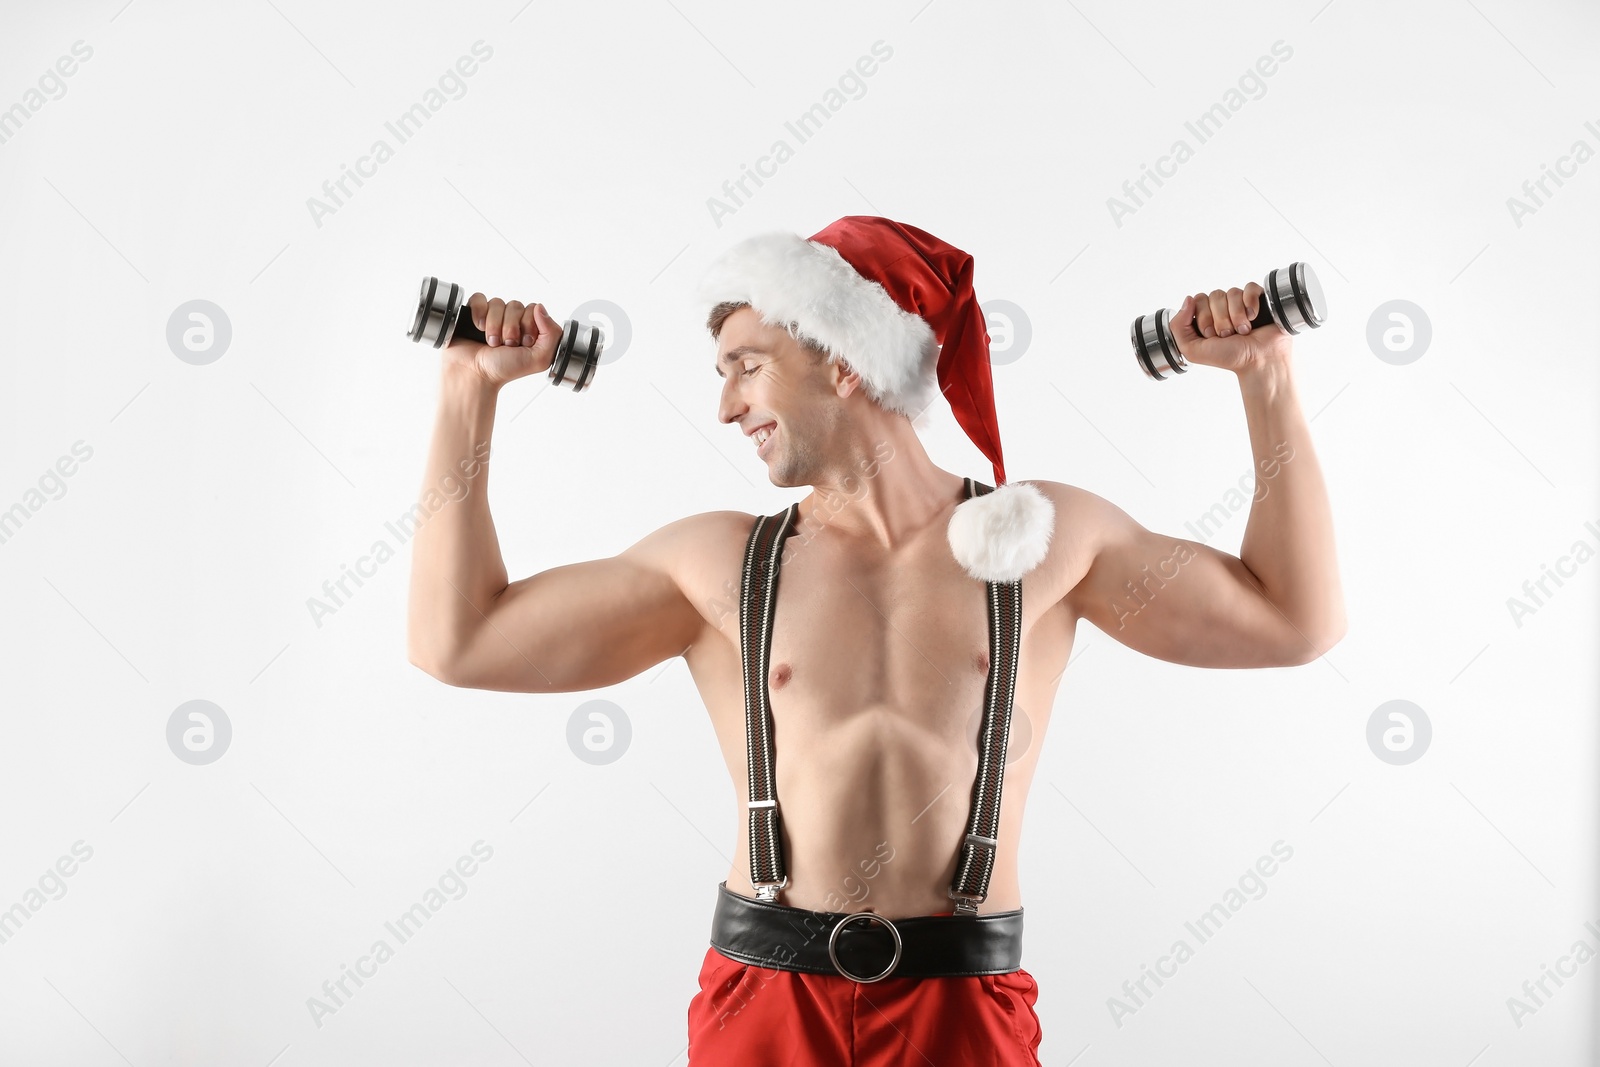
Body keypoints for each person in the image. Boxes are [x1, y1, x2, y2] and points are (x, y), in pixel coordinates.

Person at [405, 216, 1346, 1065]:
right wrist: (466, 391)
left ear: (843, 359)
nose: (727, 407)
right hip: (766, 1003)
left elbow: (1293, 619)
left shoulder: (1046, 541)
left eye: (745, 364)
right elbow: (460, 641)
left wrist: (1264, 376)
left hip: (963, 1007)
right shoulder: (718, 564)